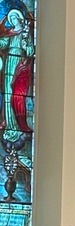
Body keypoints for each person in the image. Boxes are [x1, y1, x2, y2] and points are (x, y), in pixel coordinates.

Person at [0, 8, 35, 145]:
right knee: (8, 94)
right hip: (9, 62)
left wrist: (26, 38)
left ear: (20, 19)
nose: (13, 21)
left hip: (19, 66)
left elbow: (30, 51)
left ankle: (17, 126)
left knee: (17, 94)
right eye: (11, 19)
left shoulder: (25, 34)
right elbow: (2, 44)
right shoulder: (11, 34)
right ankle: (9, 126)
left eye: (15, 18)